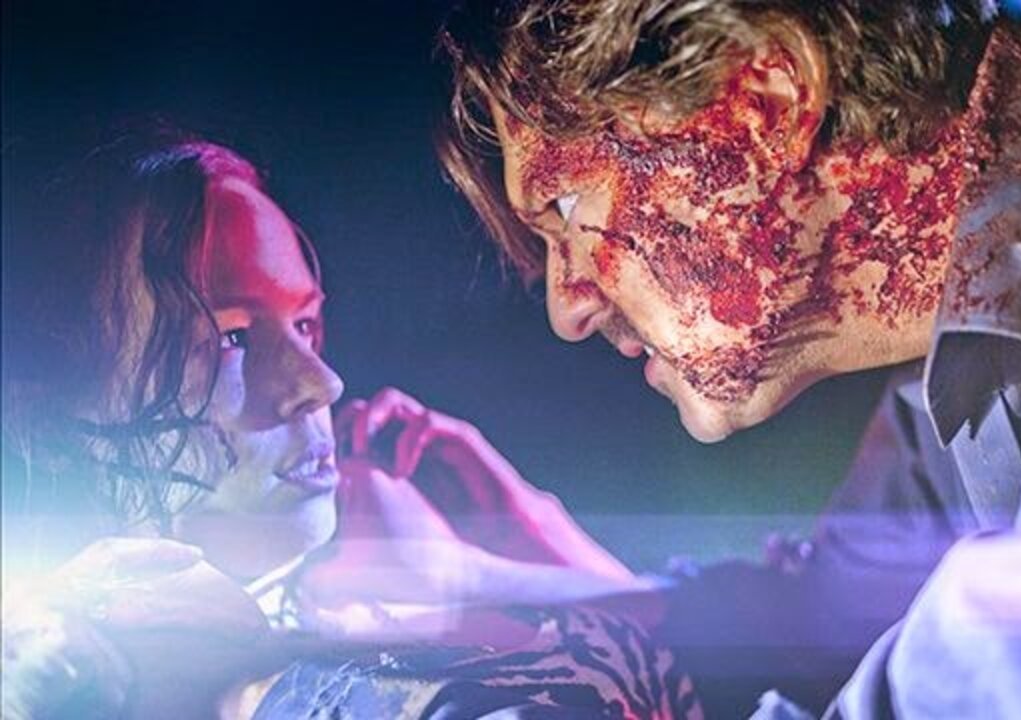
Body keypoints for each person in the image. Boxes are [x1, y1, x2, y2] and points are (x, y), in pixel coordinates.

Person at [433, 0, 1021, 716]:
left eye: (567, 203)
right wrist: (499, 592)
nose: (567, 307)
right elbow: (824, 611)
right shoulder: (981, 335)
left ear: (765, 104)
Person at [0, 132, 700, 719]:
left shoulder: (367, 625)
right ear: (44, 419)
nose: (321, 383)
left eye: (305, 324)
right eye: (231, 339)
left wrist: (502, 549)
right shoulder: (46, 679)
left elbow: (734, 659)